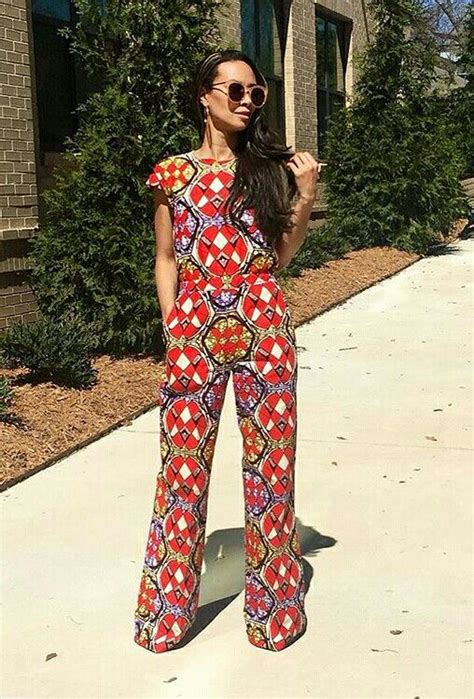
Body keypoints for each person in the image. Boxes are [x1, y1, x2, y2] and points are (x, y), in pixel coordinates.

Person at [134, 48, 321, 653]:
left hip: (264, 325)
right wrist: (174, 324)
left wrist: (305, 193)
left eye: (255, 93)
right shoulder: (172, 175)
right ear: (205, 97)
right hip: (195, 330)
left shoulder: (270, 171)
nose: (246, 101)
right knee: (182, 469)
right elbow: (166, 258)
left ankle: (274, 614)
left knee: (272, 468)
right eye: (234, 90)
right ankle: (166, 613)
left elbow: (283, 257)